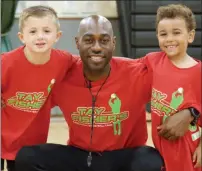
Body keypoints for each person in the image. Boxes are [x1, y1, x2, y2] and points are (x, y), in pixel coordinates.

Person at [15, 14, 199, 171]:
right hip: (80, 157)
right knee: (26, 157)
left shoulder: (138, 72)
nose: (96, 47)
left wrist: (191, 112)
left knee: (151, 160)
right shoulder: (62, 75)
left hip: (123, 158)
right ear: (77, 43)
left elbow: (187, 79)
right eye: (88, 40)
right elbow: (25, 91)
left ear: (113, 43)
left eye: (103, 40)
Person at [1, 5, 77, 171]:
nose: (40, 36)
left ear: (57, 36)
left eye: (46, 31)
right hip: (3, 140)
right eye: (33, 31)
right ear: (22, 36)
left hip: (33, 145)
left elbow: (90, 66)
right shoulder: (6, 63)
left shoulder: (64, 60)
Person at [142, 4, 201, 171]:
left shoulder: (198, 73)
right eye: (163, 34)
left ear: (190, 36)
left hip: (188, 149)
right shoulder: (153, 61)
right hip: (161, 147)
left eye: (176, 32)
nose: (169, 39)